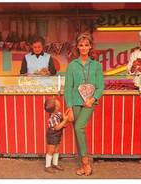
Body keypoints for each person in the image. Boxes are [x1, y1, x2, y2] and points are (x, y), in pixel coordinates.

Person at [64, 32, 104, 176]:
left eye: (86, 45)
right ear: (77, 47)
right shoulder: (72, 66)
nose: (84, 48)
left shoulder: (96, 66)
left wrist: (92, 100)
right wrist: (68, 106)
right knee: (77, 131)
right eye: (81, 45)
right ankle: (82, 164)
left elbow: (100, 86)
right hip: (75, 101)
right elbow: (68, 87)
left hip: (89, 103)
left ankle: (86, 163)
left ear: (90, 47)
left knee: (79, 127)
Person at [44, 97, 69, 173]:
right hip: (52, 135)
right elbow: (57, 127)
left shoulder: (58, 113)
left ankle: (55, 163)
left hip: (57, 135)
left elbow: (61, 120)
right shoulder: (52, 118)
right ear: (56, 107)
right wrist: (64, 121)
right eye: (57, 103)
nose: (59, 103)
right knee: (51, 150)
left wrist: (66, 114)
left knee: (57, 149)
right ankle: (47, 166)